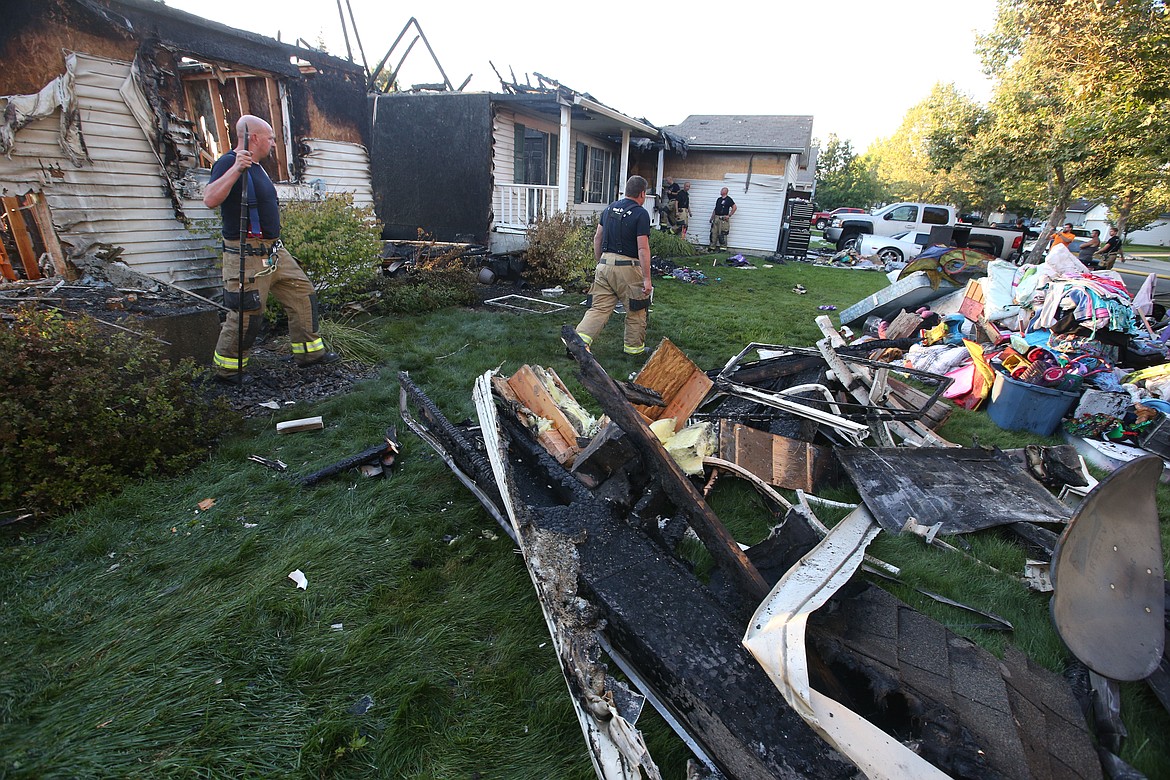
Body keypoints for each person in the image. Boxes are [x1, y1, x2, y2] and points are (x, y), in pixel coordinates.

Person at [204, 114, 339, 384]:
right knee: (247, 313)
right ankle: (228, 371)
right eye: (270, 138)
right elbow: (210, 199)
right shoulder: (229, 163)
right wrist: (236, 170)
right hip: (246, 254)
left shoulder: (258, 167)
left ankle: (309, 354)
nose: (273, 144)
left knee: (302, 293)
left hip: (274, 252)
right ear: (253, 138)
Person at [573, 175, 653, 356]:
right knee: (636, 309)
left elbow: (597, 238)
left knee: (598, 308)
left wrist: (600, 261)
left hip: (604, 265)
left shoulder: (609, 209)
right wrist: (647, 279)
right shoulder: (641, 213)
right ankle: (634, 350)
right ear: (642, 193)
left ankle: (578, 343)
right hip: (628, 268)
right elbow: (642, 248)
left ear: (627, 191)